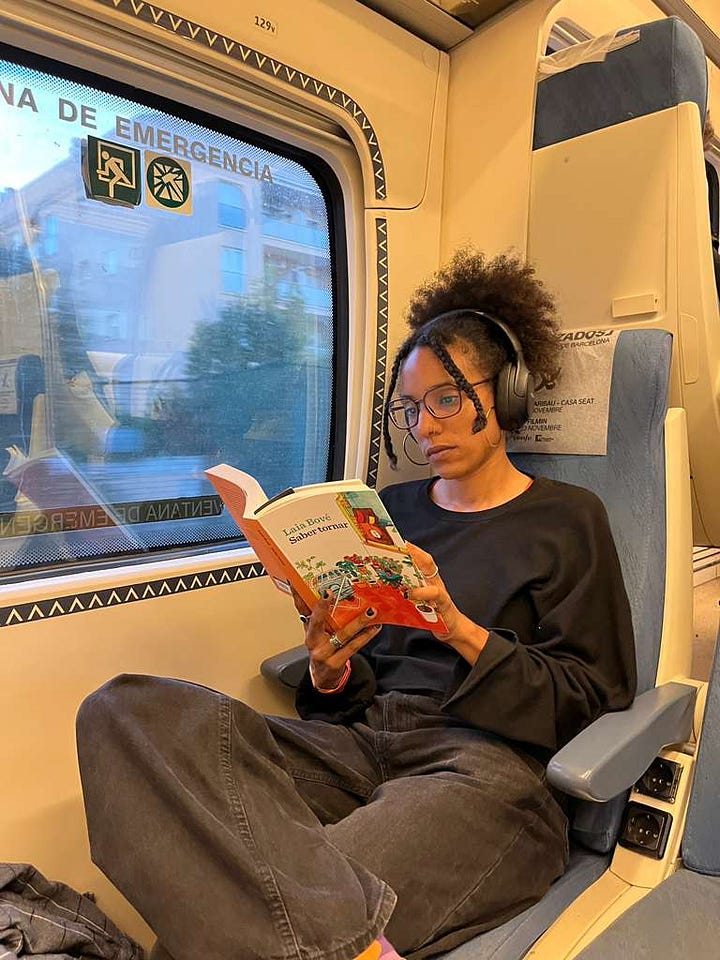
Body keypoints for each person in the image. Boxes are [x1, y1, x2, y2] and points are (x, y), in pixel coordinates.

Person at [76, 248, 637, 960]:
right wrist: (332, 665)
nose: (426, 426)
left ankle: (332, 936)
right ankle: (347, 939)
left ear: (509, 394)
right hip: (359, 745)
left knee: (272, 896)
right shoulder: (390, 512)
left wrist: (459, 629)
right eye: (411, 409)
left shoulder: (567, 519)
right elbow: (354, 691)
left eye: (445, 398)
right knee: (123, 712)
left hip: (479, 770)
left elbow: (590, 698)